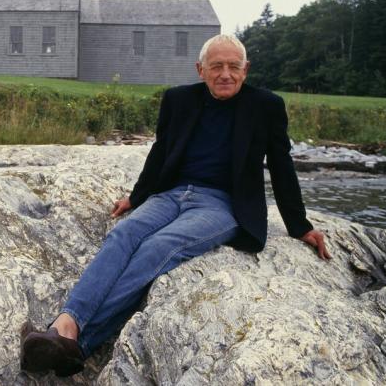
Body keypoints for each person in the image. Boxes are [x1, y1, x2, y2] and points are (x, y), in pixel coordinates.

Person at [19, 34, 331, 377]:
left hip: (222, 205)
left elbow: (282, 165)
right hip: (173, 193)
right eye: (216, 66)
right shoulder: (179, 99)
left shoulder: (266, 105)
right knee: (124, 235)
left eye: (233, 66)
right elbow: (161, 152)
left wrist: (299, 225)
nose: (225, 74)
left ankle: (81, 342)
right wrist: (136, 197)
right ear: (201, 69)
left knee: (159, 247)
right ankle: (66, 324)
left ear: (246, 70)